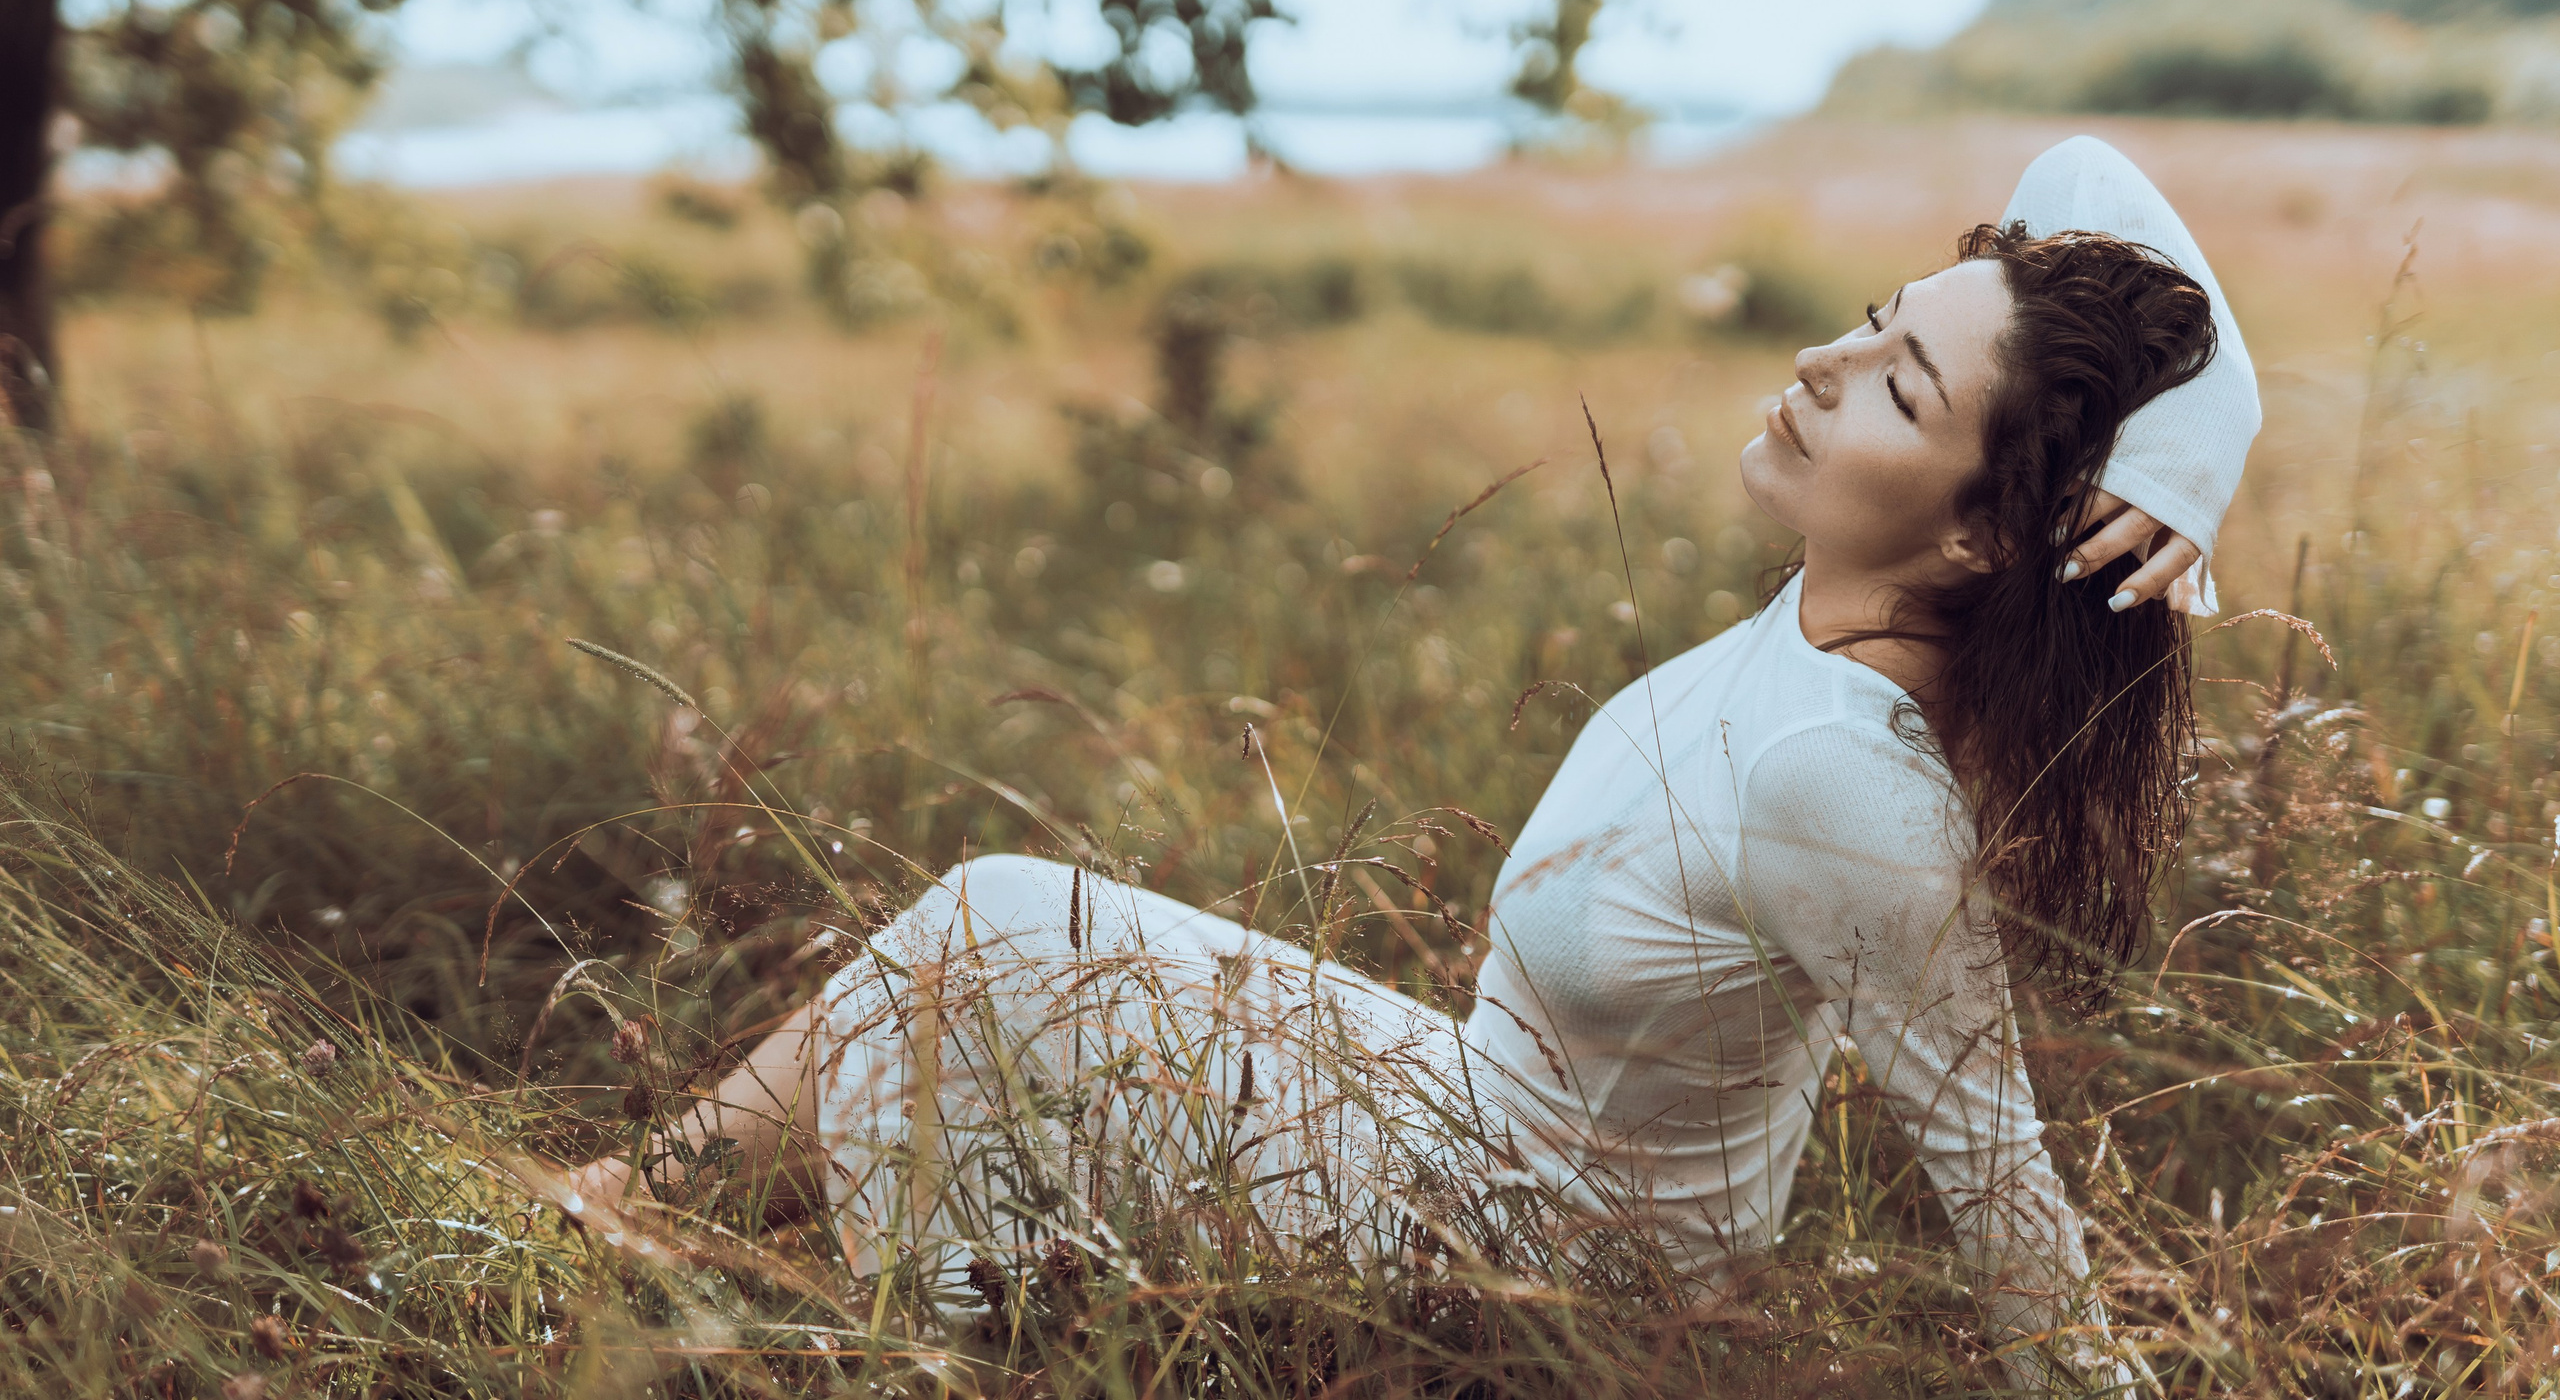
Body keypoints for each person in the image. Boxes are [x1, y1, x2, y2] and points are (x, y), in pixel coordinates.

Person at [569, 135, 2256, 1382]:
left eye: (1896, 386)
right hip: (1463, 1116)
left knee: (992, 936)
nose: (1821, 364)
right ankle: (682, 1232)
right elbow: (2089, 169)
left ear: (1977, 537)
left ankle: (763, 1277)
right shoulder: (1830, 621)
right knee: (987, 932)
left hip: (1538, 1265)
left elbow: (2002, 1188)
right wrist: (2207, 436)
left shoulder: (1847, 777)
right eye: (1872, 318)